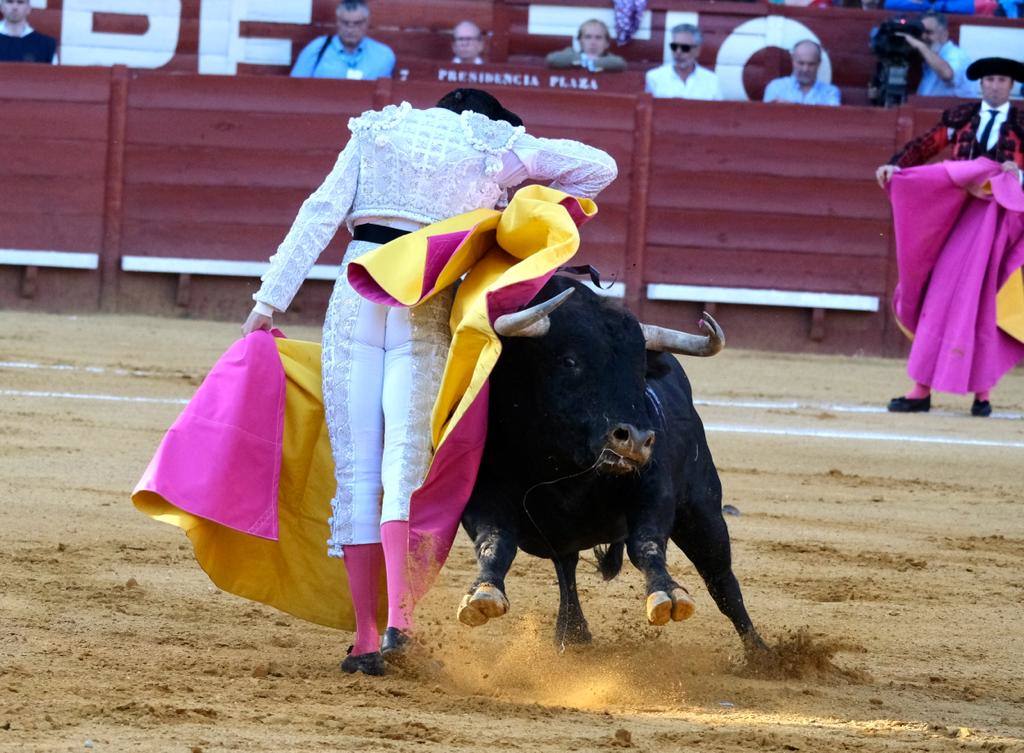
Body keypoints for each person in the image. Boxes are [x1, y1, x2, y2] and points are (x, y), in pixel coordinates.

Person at [240, 89, 617, 675]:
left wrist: (268, 303)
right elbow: (599, 169)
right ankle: (401, 624)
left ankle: (365, 641)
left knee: (358, 473)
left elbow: (318, 213)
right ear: (484, 119)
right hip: (427, 303)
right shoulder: (492, 143)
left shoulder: (375, 131)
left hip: (356, 295)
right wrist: (512, 205)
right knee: (403, 468)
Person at [875, 57, 1024, 417]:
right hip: (956, 218)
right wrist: (897, 165)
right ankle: (921, 389)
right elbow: (926, 145)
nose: (995, 85)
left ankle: (982, 394)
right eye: (989, 79)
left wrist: (1018, 174)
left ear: (1011, 86)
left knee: (985, 302)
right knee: (940, 297)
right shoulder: (962, 117)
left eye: (1001, 80)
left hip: (998, 224)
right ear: (981, 85)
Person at [290, 0, 394, 80]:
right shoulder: (316, 50)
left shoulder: (384, 56)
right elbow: (295, 87)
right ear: (337, 22)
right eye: (345, 23)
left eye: (357, 23)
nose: (350, 30)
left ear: (367, 23)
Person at [897, 11, 974, 98]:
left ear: (944, 34)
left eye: (929, 32)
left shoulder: (956, 55)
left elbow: (947, 74)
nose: (923, 37)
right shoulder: (932, 56)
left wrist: (921, 46)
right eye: (921, 32)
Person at [644, 23, 723, 100]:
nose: (678, 52)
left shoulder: (712, 81)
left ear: (697, 51)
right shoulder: (654, 78)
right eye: (674, 47)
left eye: (685, 48)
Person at [763, 40, 840, 106]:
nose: (805, 69)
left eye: (811, 64)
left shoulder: (830, 92)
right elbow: (767, 117)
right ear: (793, 61)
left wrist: (790, 107)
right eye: (801, 63)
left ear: (819, 64)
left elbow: (830, 118)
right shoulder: (775, 88)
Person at [545, 19, 626, 73]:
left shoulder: (610, 58)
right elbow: (552, 60)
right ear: (580, 41)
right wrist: (583, 59)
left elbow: (620, 63)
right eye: (588, 37)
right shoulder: (571, 53)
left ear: (607, 43)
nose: (593, 42)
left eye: (598, 38)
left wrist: (593, 62)